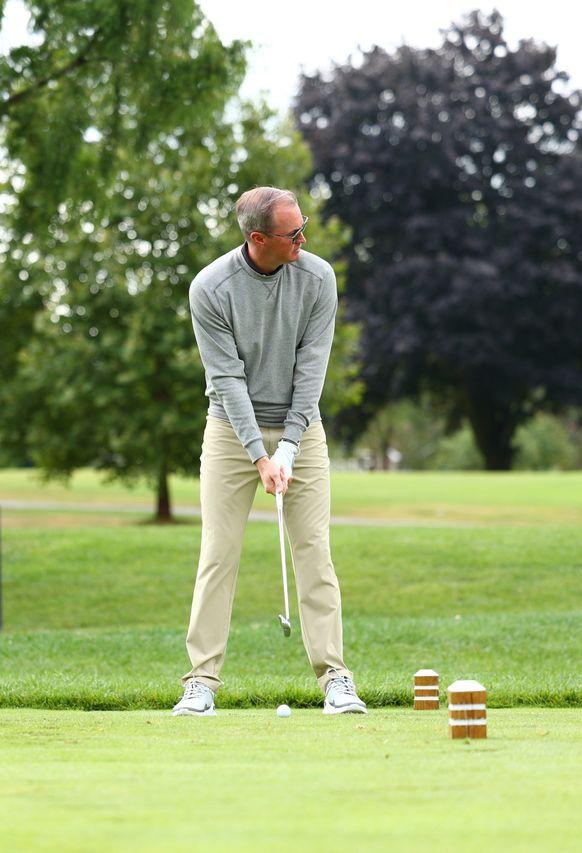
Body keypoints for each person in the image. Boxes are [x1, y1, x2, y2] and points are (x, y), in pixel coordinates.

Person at [172, 186, 366, 717]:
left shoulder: (319, 278)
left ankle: (336, 678)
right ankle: (201, 681)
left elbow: (312, 370)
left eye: (303, 227)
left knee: (314, 552)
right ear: (258, 238)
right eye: (292, 233)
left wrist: (291, 445)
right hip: (230, 431)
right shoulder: (210, 288)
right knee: (218, 553)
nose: (304, 239)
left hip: (302, 426)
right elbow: (226, 379)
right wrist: (260, 454)